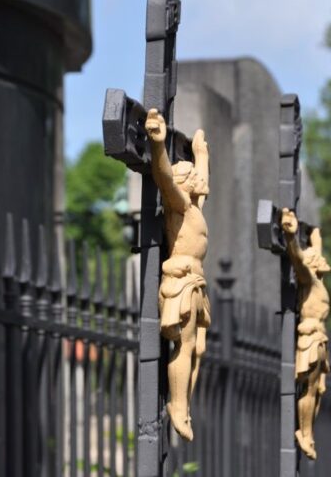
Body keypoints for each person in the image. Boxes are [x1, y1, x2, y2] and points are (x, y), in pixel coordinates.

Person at [145, 109, 210, 441]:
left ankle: (185, 404)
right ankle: (178, 406)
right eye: (192, 176)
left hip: (197, 284)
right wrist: (158, 145)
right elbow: (165, 177)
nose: (199, 179)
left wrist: (201, 154)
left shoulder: (195, 208)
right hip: (181, 282)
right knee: (184, 347)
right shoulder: (180, 205)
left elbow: (204, 185)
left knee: (198, 348)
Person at [281, 209, 331, 460]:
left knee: (316, 390)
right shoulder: (309, 280)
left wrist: (315, 235)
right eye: (317, 257)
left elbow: (313, 254)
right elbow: (299, 260)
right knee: (309, 390)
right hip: (310, 339)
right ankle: (305, 433)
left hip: (320, 341)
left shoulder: (318, 282)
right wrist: (292, 238)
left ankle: (308, 432)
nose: (322, 258)